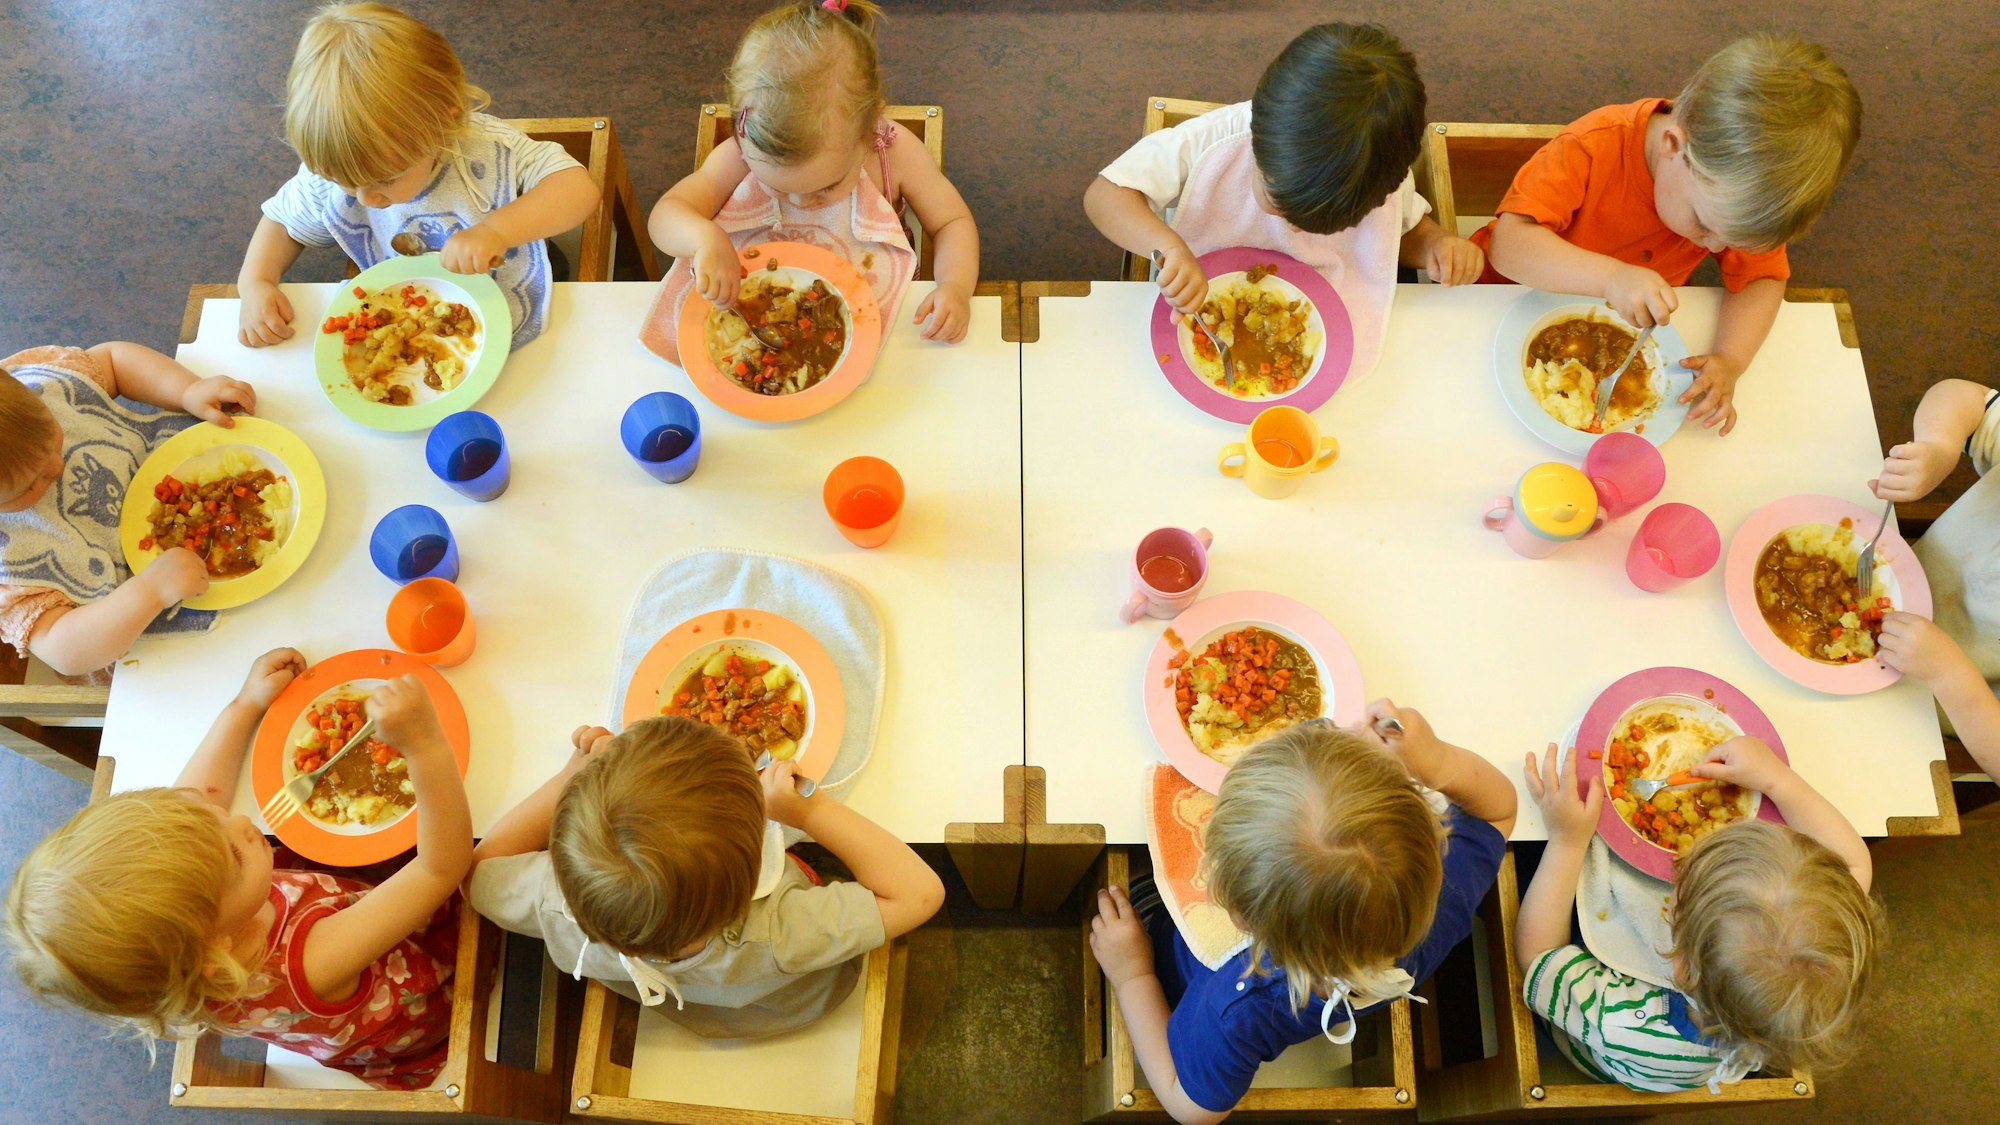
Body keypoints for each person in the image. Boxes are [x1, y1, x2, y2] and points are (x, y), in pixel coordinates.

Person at [3, 651, 475, 1090]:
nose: (244, 822)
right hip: (432, 981)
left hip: (341, 906)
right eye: (232, 854)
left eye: (209, 825)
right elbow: (439, 869)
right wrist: (425, 745)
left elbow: (198, 799)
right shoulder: (311, 960)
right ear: (215, 945)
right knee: (488, 857)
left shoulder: (197, 941)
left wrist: (244, 705)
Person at [1089, 703, 1515, 1123]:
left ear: (1237, 913)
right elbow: (1498, 810)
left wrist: (1133, 976)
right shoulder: (1440, 902)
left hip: (1174, 974)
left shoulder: (1237, 1010)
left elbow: (1190, 1107)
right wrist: (1433, 758)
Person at [1476, 36, 1862, 435]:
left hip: (1612, 343)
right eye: (1705, 224)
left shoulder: (1741, 193)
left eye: (1731, 241)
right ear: (1672, 147)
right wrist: (1612, 277)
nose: (1713, 248)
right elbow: (1510, 246)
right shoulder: (1593, 147)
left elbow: (1764, 278)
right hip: (1492, 302)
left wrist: (1730, 360)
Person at [468, 717, 944, 1036]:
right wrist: (810, 810)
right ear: (755, 863)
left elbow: (479, 874)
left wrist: (578, 776)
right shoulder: (779, 931)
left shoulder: (553, 900)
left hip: (700, 1015)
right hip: (797, 1005)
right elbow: (919, 893)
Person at [1084, 22, 1482, 387]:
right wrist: (1170, 249)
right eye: (1279, 204)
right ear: (1257, 141)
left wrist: (1435, 246)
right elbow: (1106, 196)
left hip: (1333, 332)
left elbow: (1399, 233)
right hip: (1190, 305)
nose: (1295, 229)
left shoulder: (1377, 179)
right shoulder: (1216, 142)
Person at [1517, 739, 1879, 1091]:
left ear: (1681, 965)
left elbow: (1538, 956)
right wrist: (1776, 779)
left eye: (1682, 887)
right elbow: (1851, 860)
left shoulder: (1628, 1022)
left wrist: (1567, 841)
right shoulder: (1824, 928)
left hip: (1587, 1026)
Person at [237, 2, 599, 351]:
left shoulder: (488, 150)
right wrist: (256, 283)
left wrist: (496, 231)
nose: (364, 199)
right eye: (344, 182)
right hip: (418, 316)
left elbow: (576, 188)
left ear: (443, 125)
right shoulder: (336, 176)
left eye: (386, 180)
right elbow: (282, 223)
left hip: (515, 292)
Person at [643, 0, 980, 361]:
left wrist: (955, 286)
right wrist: (703, 239)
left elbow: (952, 223)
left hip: (878, 312)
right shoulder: (739, 157)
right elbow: (666, 215)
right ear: (742, 134)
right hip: (754, 301)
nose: (801, 202)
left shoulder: (893, 154)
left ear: (868, 132)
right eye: (778, 188)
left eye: (826, 188)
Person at [0, 343, 253, 675]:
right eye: (32, 483)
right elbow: (64, 651)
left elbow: (113, 362)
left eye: (54, 437)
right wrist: (151, 591)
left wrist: (186, 390)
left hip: (184, 472)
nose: (58, 466)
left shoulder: (38, 383)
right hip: (150, 632)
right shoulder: (10, 569)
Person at [1871, 378, 2000, 775]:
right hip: (1885, 582)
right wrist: (1938, 447)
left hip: (1921, 709)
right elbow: (1964, 396)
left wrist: (1947, 672)